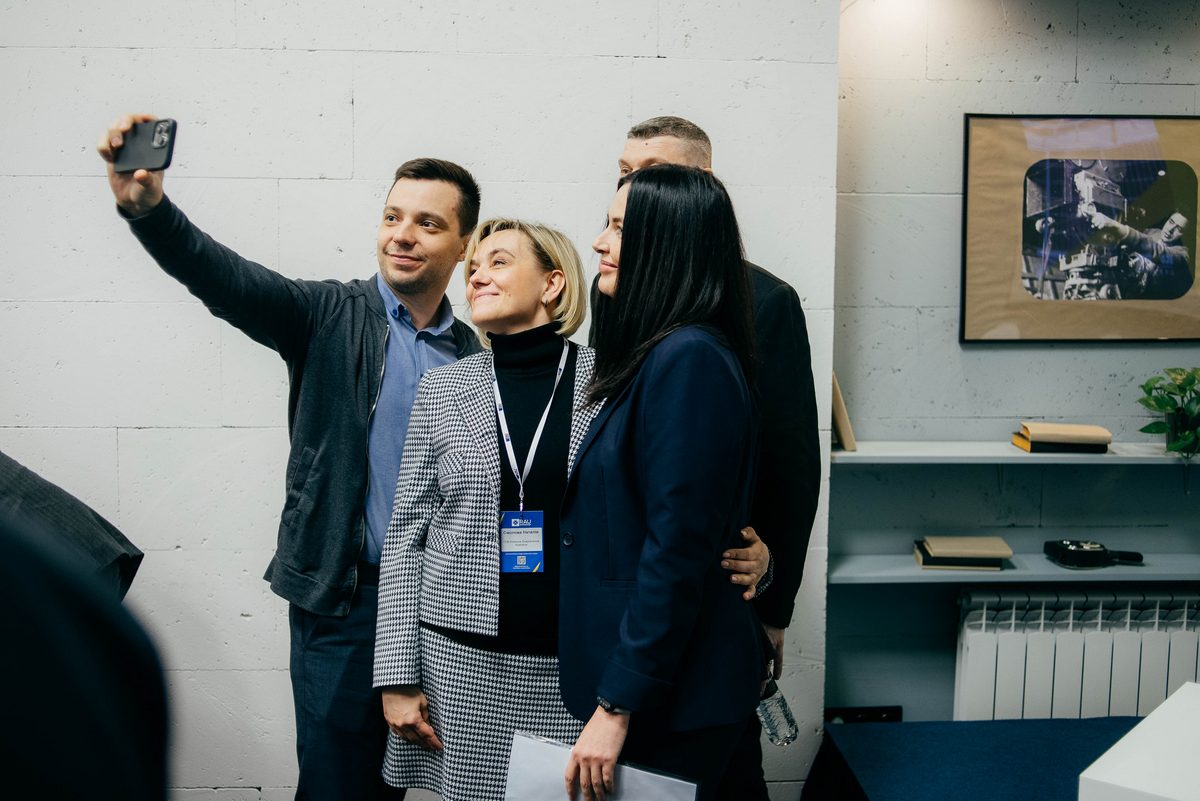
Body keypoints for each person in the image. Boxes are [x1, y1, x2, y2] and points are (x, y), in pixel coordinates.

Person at [97, 113, 482, 801]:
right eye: (392, 216)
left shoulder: (473, 354)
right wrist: (150, 210)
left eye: (427, 223)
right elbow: (225, 278)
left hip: (439, 609)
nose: (401, 234)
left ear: (464, 244)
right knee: (337, 786)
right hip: (345, 600)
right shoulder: (327, 315)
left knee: (398, 786)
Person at [596, 115, 821, 796]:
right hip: (653, 598)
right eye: (626, 173)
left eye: (654, 174)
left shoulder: (762, 304)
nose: (635, 188)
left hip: (711, 593)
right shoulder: (618, 291)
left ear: (702, 188)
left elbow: (787, 463)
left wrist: (771, 596)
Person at [372, 218, 596, 800]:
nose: (476, 276)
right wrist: (396, 677)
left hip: (577, 672)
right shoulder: (444, 388)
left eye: (498, 262)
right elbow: (406, 538)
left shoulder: (611, 382)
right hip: (461, 668)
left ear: (552, 284)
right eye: (473, 268)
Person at [561, 165, 765, 801]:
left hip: (674, 696)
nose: (600, 242)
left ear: (667, 244)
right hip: (669, 689)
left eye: (620, 228)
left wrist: (618, 703)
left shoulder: (689, 358)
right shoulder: (660, 353)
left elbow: (675, 549)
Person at [1088, 208, 1193, 299]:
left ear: (1185, 235)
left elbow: (1158, 252)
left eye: (1178, 229)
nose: (1170, 229)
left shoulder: (1183, 254)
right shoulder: (1152, 232)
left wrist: (1117, 227)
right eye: (1171, 222)